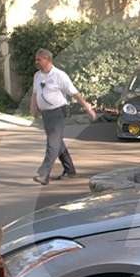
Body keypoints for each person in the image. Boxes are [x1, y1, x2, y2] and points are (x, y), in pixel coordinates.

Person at [29, 48, 96, 185]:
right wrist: (33, 108)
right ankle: (69, 169)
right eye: (36, 60)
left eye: (39, 60)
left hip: (58, 113)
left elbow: (75, 93)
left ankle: (44, 174)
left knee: (52, 143)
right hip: (46, 114)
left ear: (47, 60)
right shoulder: (38, 76)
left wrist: (88, 108)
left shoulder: (59, 75)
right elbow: (35, 93)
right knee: (57, 142)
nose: (36, 62)